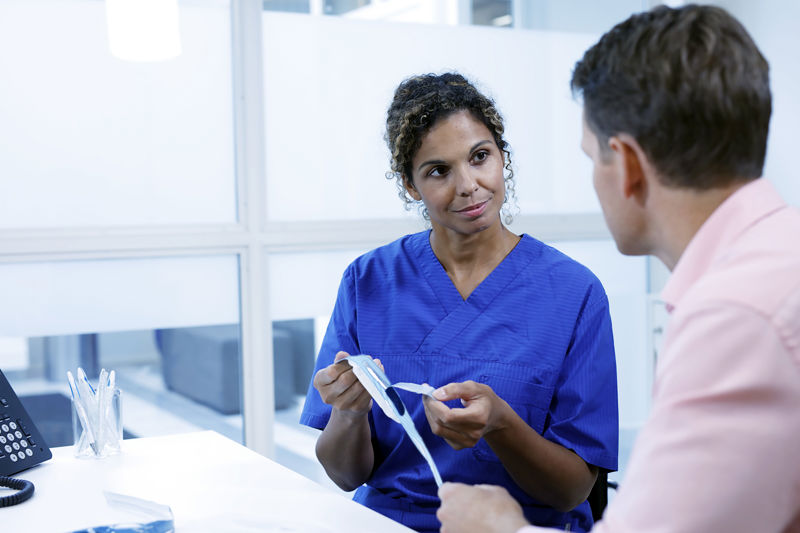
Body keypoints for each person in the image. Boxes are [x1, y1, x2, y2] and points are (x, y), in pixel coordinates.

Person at [436, 4, 800, 533]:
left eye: (592, 158)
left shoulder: (736, 318)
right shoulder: (780, 256)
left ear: (627, 164)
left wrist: (501, 528)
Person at [300, 72, 619, 533]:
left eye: (480, 157)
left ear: (502, 157)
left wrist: (502, 425)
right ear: (411, 185)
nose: (468, 185)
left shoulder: (575, 293)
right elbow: (345, 476)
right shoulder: (367, 282)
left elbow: (571, 491)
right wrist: (349, 412)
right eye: (438, 171)